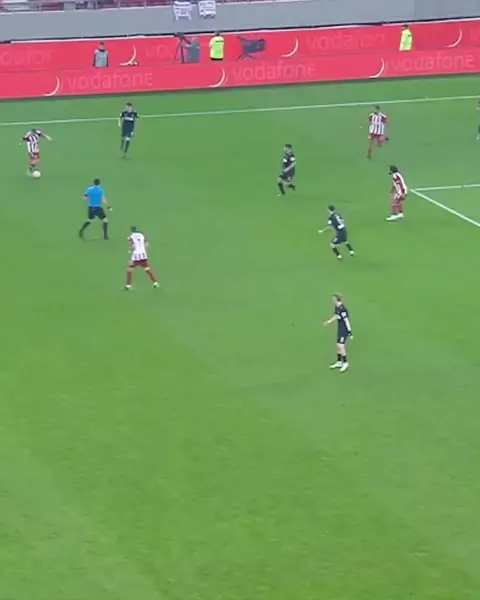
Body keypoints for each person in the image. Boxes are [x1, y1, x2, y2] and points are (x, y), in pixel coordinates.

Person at [324, 293, 352, 373]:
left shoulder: (343, 309)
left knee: (341, 346)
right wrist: (329, 322)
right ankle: (339, 362)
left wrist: (349, 332)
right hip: (340, 329)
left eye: (333, 299)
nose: (332, 300)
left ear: (337, 299)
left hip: (344, 330)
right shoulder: (337, 307)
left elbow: (346, 320)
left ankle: (345, 363)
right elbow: (336, 316)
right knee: (338, 345)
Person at [125, 226, 159, 291]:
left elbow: (133, 246)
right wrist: (143, 250)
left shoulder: (131, 237)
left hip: (135, 257)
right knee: (147, 269)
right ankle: (155, 283)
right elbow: (147, 244)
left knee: (129, 270)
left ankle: (128, 285)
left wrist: (130, 251)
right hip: (143, 255)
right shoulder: (142, 235)